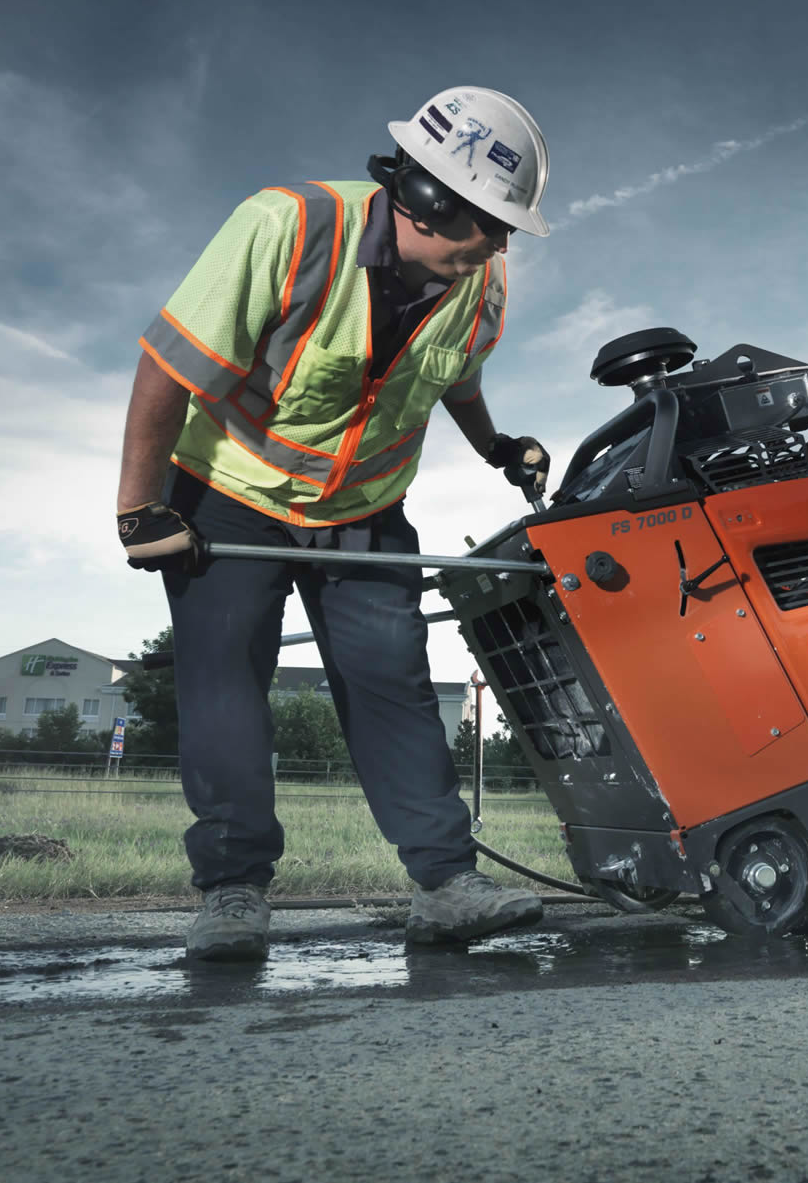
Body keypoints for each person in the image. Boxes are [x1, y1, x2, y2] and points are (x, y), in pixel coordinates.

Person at [116, 86, 555, 963]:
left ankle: (445, 884)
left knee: (393, 679)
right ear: (428, 200)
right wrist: (140, 509)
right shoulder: (286, 229)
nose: (504, 245)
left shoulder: (479, 283)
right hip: (231, 493)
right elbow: (170, 365)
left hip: (365, 505)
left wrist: (496, 445)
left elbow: (453, 376)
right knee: (226, 684)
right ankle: (234, 891)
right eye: (493, 224)